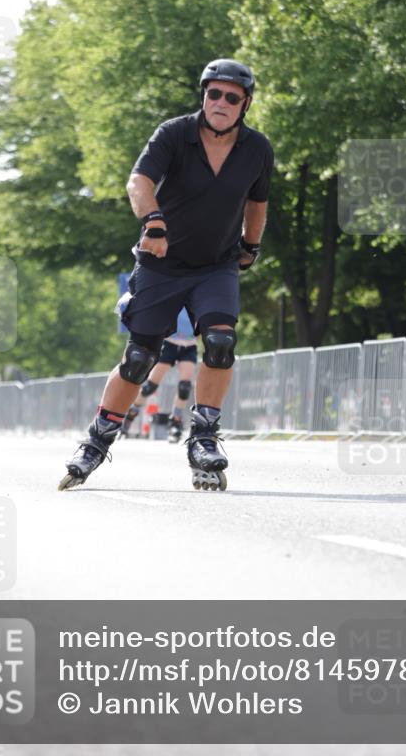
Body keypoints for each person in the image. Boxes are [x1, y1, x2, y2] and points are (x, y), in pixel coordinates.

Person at [59, 58, 273, 492]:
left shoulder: (257, 149)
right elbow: (138, 181)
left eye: (232, 97)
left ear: (245, 104)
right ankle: (96, 441)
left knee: (220, 343)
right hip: (162, 262)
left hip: (216, 265)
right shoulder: (174, 133)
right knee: (140, 358)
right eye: (214, 93)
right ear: (204, 95)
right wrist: (153, 222)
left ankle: (204, 438)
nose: (221, 102)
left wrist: (251, 245)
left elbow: (258, 202)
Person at [119, 307, 198, 442]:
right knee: (150, 387)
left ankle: (175, 423)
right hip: (169, 343)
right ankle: (131, 414)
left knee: (184, 387)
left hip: (189, 344)